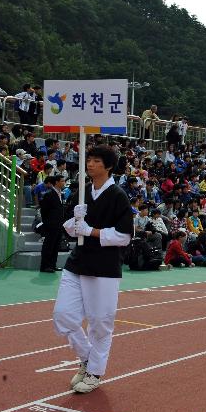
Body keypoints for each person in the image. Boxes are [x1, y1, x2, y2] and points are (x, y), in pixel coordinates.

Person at [52, 145, 134, 394]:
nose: (90, 164)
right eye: (89, 160)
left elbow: (124, 236)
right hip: (78, 262)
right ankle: (87, 357)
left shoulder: (118, 196)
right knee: (63, 315)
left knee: (100, 322)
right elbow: (67, 225)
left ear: (108, 166)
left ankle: (95, 372)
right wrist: (74, 222)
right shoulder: (82, 192)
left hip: (104, 267)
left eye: (97, 161)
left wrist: (90, 231)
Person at [39, 175, 66, 273]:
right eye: (62, 181)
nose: (64, 183)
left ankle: (52, 265)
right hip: (51, 225)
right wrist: (47, 223)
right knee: (48, 246)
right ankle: (45, 266)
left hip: (59, 224)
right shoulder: (49, 194)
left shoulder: (60, 194)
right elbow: (44, 211)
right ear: (57, 182)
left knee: (55, 246)